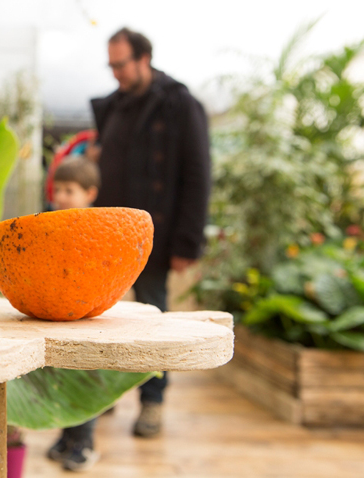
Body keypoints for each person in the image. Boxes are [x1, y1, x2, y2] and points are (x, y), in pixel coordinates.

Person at [91, 27, 211, 435]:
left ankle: (153, 403)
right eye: (111, 65)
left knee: (151, 319)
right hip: (106, 234)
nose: (115, 74)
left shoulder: (179, 104)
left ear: (144, 58)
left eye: (120, 64)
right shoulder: (112, 107)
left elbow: (198, 176)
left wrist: (187, 241)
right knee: (96, 318)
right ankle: (98, 395)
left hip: (154, 236)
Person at [46, 155, 102, 472]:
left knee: (85, 378)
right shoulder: (53, 225)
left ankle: (86, 442)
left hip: (88, 317)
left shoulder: (97, 227)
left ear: (89, 194)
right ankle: (67, 436)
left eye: (70, 190)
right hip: (61, 313)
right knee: (63, 376)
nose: (62, 197)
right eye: (58, 189)